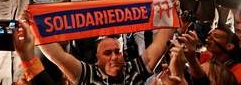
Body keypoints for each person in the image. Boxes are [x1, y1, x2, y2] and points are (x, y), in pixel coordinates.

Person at [39, 27, 175, 84]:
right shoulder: (89, 75)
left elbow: (160, 44)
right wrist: (35, 27)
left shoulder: (134, 70)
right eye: (107, 53)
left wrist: (170, 12)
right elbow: (57, 56)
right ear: (97, 58)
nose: (114, 57)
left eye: (117, 52)